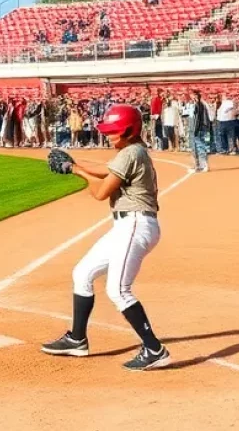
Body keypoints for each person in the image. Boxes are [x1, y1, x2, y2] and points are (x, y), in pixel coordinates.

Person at [41, 104, 171, 371]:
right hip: (127, 226)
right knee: (83, 273)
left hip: (136, 224)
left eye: (113, 132)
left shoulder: (132, 152)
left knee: (118, 290)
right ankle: (77, 339)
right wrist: (74, 164)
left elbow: (100, 192)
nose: (109, 136)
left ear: (129, 130)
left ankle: (154, 349)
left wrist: (74, 170)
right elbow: (104, 171)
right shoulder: (130, 151)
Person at [188, 90, 212, 172]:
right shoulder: (199, 105)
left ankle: (204, 165)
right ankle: (199, 165)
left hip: (199, 129)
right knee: (198, 147)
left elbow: (198, 119)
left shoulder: (199, 105)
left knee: (200, 146)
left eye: (192, 96)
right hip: (200, 128)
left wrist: (196, 129)